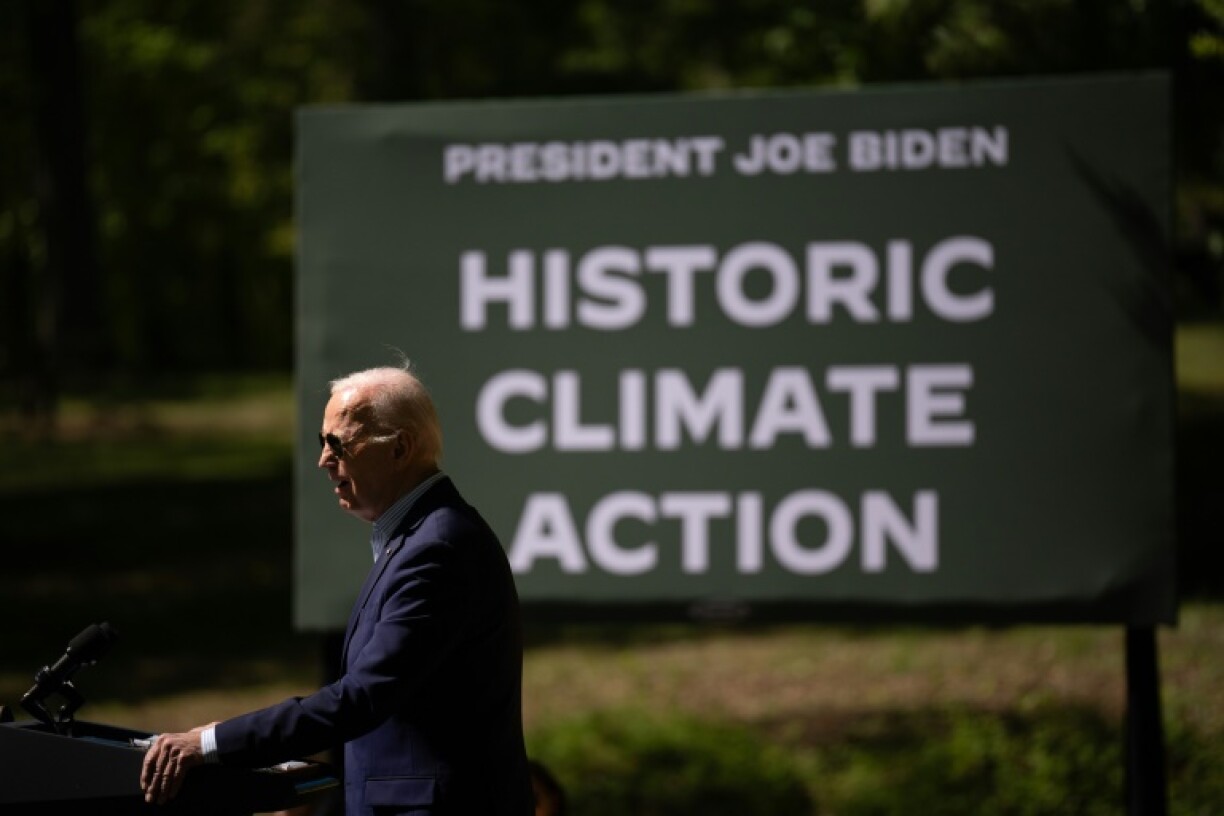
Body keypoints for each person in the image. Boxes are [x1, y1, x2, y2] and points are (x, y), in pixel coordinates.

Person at [140, 364, 535, 816]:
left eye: (338, 444)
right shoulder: (420, 537)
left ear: (400, 448)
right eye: (322, 442)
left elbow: (361, 698)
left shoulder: (437, 548)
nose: (324, 460)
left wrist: (213, 743)